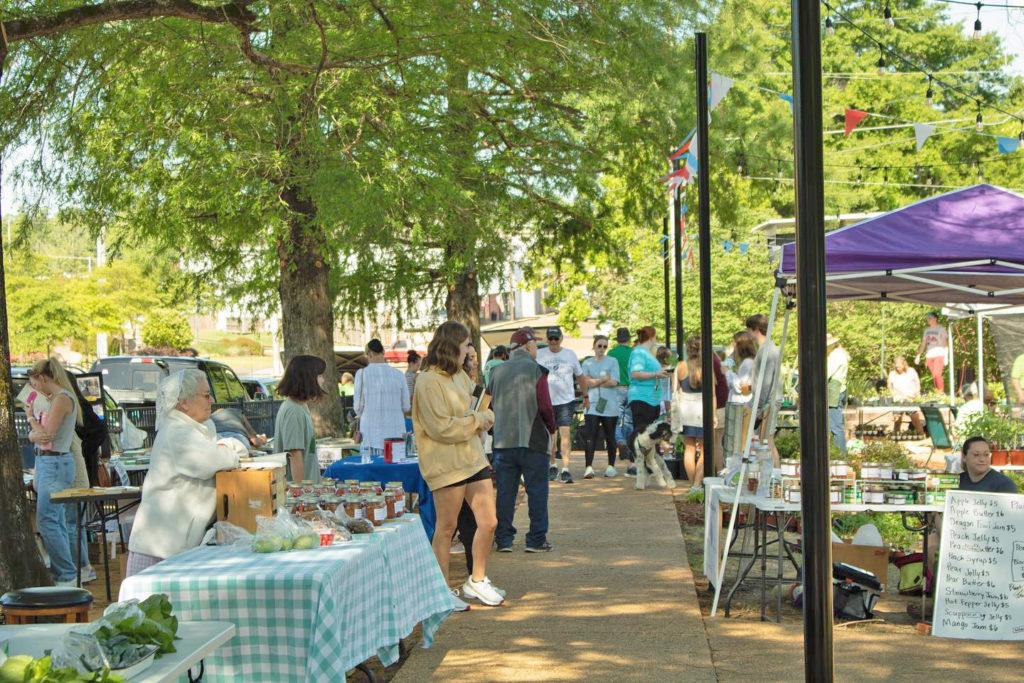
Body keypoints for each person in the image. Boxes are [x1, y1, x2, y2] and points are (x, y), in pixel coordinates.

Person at [413, 321, 504, 606]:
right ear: (453, 345)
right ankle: (441, 592)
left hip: (471, 457)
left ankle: (476, 580)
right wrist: (478, 421)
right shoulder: (427, 381)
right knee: (446, 527)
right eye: (466, 345)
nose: (469, 350)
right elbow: (442, 428)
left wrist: (479, 418)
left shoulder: (458, 376)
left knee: (489, 522)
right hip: (445, 463)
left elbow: (478, 408)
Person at [126, 370, 247, 576]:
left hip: (171, 542)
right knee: (146, 605)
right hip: (160, 545)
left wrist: (226, 448)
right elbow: (214, 460)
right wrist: (231, 447)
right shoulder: (177, 431)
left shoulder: (192, 428)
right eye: (206, 395)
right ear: (184, 402)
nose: (212, 401)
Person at [489, 327, 556, 553]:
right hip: (533, 440)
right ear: (528, 346)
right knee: (537, 491)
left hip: (502, 442)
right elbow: (545, 406)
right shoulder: (537, 371)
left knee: (505, 492)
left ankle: (504, 539)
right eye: (535, 344)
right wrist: (552, 428)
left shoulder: (496, 372)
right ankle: (536, 539)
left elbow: (487, 404)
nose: (537, 348)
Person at [26, 358, 85, 586]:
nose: (35, 389)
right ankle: (68, 572)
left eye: (35, 384)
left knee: (47, 521)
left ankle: (66, 574)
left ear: (43, 378)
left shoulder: (61, 399)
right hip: (50, 463)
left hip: (54, 463)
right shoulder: (59, 398)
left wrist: (31, 418)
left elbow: (46, 436)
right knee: (56, 520)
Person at [536, 326, 585, 484]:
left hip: (565, 401)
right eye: (550, 338)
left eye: (556, 338)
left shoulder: (570, 354)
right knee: (551, 436)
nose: (553, 341)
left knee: (565, 435)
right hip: (547, 401)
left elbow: (580, 376)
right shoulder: (540, 354)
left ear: (561, 338)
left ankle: (565, 468)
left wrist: (586, 396)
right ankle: (552, 465)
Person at [274, 355, 328, 482]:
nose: (323, 380)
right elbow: (295, 457)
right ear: (308, 379)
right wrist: (302, 495)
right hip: (300, 497)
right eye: (319, 376)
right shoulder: (294, 411)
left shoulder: (300, 407)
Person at [354, 339, 411, 454]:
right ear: (383, 352)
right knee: (395, 470)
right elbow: (406, 407)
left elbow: (358, 408)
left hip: (371, 436)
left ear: (369, 354)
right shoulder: (399, 375)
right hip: (396, 435)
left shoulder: (362, 374)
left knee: (371, 470)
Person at [628, 326, 669, 476]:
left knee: (651, 434)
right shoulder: (639, 352)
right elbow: (636, 373)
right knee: (643, 434)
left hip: (651, 399)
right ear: (652, 337)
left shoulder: (647, 353)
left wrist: (660, 373)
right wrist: (656, 373)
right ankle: (640, 467)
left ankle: (648, 466)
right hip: (641, 398)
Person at [580, 335, 620, 479]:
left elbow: (614, 382)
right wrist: (603, 379)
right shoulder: (587, 362)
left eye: (605, 346)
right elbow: (585, 382)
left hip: (609, 404)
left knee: (610, 436)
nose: (602, 349)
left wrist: (594, 380)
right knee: (590, 436)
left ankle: (611, 466)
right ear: (594, 346)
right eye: (599, 346)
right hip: (592, 403)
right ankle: (588, 467)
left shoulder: (613, 361)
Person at [747, 313, 782, 463]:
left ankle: (775, 476)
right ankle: (771, 477)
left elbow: (765, 383)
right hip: (768, 400)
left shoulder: (766, 351)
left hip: (767, 402)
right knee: (764, 442)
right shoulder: (767, 348)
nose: (748, 333)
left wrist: (758, 408)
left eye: (748, 329)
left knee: (767, 441)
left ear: (755, 329)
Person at [675, 336, 708, 488]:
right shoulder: (705, 366)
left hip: (686, 409)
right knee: (704, 448)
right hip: (702, 409)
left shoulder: (681, 366)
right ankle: (697, 484)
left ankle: (692, 484)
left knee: (689, 448)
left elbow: (675, 390)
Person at [607, 327, 635, 463]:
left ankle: (620, 440)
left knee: (616, 421)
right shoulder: (633, 352)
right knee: (629, 421)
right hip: (632, 389)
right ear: (629, 339)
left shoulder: (611, 353)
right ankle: (630, 448)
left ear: (617, 340)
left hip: (616, 389)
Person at [826, 334, 850, 456]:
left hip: (834, 391)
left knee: (835, 426)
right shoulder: (838, 353)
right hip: (836, 390)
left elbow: (826, 373)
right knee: (833, 425)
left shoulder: (836, 355)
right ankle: (837, 453)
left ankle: (840, 455)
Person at [888, 356, 925, 433]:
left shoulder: (911, 371)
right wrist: (892, 394)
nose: (898, 369)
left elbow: (917, 383)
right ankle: (896, 436)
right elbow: (889, 386)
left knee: (915, 420)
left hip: (910, 398)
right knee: (897, 420)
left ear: (904, 364)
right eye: (896, 367)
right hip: (898, 399)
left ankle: (921, 435)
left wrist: (917, 394)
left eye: (900, 367)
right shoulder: (892, 374)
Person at [915, 311, 948, 393]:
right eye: (927, 318)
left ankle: (941, 392)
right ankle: (937, 392)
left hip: (939, 354)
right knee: (934, 376)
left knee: (937, 374)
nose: (928, 319)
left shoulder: (941, 329)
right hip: (929, 355)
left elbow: (945, 343)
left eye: (930, 318)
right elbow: (923, 344)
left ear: (935, 318)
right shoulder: (927, 330)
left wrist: (946, 356)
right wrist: (918, 355)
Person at [728, 332, 757, 404]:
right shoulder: (749, 362)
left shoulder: (747, 363)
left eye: (734, 344)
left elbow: (739, 387)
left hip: (741, 405)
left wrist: (727, 371)